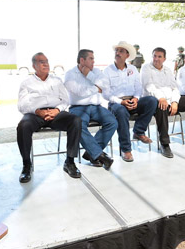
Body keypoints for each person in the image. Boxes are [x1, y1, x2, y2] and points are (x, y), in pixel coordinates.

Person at [16, 52, 82, 183]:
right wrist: (37, 111)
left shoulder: (57, 81)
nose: (46, 64)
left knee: (75, 120)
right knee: (23, 126)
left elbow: (65, 100)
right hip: (35, 114)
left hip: (55, 114)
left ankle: (70, 162)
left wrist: (57, 110)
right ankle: (26, 165)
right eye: (41, 62)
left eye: (46, 61)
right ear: (34, 66)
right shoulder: (26, 83)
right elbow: (21, 105)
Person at [103, 42, 158, 162]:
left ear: (127, 55)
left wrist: (136, 98)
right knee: (121, 112)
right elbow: (106, 94)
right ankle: (126, 149)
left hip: (132, 100)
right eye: (116, 51)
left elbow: (138, 87)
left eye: (121, 51)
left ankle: (138, 131)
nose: (117, 53)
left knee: (152, 101)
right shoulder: (107, 71)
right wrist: (121, 102)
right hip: (116, 103)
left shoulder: (133, 69)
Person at [64, 49, 117, 170]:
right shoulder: (70, 74)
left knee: (112, 122)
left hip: (96, 107)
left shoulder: (96, 71)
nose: (94, 61)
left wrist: (89, 75)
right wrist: (97, 88)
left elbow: (106, 85)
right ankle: (99, 155)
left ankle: (92, 152)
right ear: (82, 60)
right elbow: (80, 92)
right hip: (78, 108)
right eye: (91, 58)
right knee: (79, 125)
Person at [141, 47, 180, 158]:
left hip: (169, 100)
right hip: (153, 101)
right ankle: (165, 144)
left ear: (164, 59)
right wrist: (161, 98)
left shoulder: (167, 70)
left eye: (159, 57)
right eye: (154, 56)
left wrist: (174, 102)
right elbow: (149, 86)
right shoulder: (146, 68)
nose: (156, 59)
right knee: (161, 107)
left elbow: (175, 88)